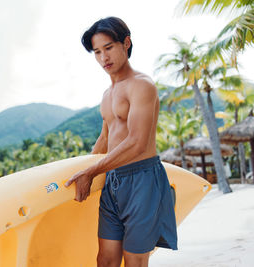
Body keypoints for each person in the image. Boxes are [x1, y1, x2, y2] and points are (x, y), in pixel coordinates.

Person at [65, 17, 178, 267]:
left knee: (135, 261)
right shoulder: (107, 95)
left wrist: (92, 171)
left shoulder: (142, 86)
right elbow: (104, 139)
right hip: (112, 180)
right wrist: (78, 169)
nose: (103, 57)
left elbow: (137, 141)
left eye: (108, 48)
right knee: (105, 260)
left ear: (126, 43)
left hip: (142, 179)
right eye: (97, 52)